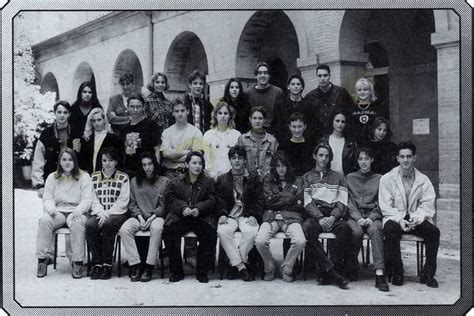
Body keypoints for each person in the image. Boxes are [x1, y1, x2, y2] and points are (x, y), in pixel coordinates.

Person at [379, 141, 440, 288]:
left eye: (409, 156)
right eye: (402, 157)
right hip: (395, 217)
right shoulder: (387, 178)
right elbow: (385, 206)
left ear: (414, 158)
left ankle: (428, 273)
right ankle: (397, 272)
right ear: (397, 158)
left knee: (433, 232)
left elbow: (427, 204)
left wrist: (416, 219)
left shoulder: (423, 180)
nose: (405, 160)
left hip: (415, 217)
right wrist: (400, 220)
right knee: (390, 230)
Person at [36, 147, 93, 279]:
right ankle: (42, 260)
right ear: (60, 162)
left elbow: (87, 199)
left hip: (76, 212)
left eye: (70, 160)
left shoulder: (84, 177)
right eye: (64, 159)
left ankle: (77, 261)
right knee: (44, 220)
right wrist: (51, 210)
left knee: (78, 224)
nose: (67, 162)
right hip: (59, 212)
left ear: (75, 161)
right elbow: (47, 198)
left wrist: (79, 210)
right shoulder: (52, 177)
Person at [162, 151, 217, 283]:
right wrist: (182, 208)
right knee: (169, 233)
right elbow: (169, 199)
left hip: (200, 217)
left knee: (209, 234)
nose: (197, 166)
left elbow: (212, 200)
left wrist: (199, 208)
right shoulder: (175, 182)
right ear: (187, 164)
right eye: (194, 163)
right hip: (181, 217)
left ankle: (202, 271)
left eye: (200, 163)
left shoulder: (208, 182)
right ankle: (177, 271)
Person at [301, 142, 351, 289]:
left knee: (345, 229)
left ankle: (327, 271)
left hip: (332, 215)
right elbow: (307, 201)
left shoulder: (339, 177)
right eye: (321, 155)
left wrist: (333, 217)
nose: (323, 159)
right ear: (314, 156)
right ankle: (331, 271)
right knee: (307, 228)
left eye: (327, 156)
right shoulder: (307, 177)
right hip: (315, 215)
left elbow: (342, 200)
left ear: (330, 159)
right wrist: (319, 217)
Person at [118, 151, 170, 282]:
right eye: (144, 165)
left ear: (154, 164)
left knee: (157, 228)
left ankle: (149, 266)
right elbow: (132, 203)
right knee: (124, 229)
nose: (147, 167)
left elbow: (164, 205)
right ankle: (135, 265)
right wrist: (140, 218)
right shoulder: (135, 181)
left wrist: (152, 218)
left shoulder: (164, 181)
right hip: (139, 217)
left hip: (156, 217)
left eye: (150, 164)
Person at [215, 146, 264, 281]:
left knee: (252, 232)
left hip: (246, 215)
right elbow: (218, 200)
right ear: (230, 160)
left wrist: (254, 214)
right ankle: (242, 267)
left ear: (245, 160)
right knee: (223, 231)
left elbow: (259, 200)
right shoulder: (222, 179)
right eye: (234, 158)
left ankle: (234, 264)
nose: (237, 161)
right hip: (229, 215)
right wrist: (222, 213)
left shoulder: (254, 179)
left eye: (240, 158)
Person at [255, 152, 306, 282]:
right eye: (278, 166)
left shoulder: (298, 180)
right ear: (274, 167)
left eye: (283, 165)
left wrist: (276, 199)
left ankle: (287, 268)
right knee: (260, 241)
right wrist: (289, 198)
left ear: (288, 166)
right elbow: (267, 201)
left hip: (292, 217)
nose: (281, 169)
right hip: (271, 217)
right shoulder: (268, 179)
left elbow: (299, 203)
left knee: (300, 241)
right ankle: (269, 266)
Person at [346, 147, 389, 291]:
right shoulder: (350, 178)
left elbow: (382, 201)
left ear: (372, 160)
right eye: (360, 159)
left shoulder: (380, 178)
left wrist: (372, 217)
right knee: (356, 232)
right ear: (357, 161)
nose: (363, 162)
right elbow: (348, 202)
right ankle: (352, 266)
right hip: (355, 216)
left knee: (376, 230)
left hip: (373, 215)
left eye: (366, 159)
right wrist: (357, 218)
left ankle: (379, 274)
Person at [87, 147, 130, 280]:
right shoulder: (94, 177)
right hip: (98, 212)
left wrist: (108, 213)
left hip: (118, 214)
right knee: (90, 225)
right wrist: (101, 212)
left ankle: (107, 264)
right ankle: (97, 263)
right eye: (104, 160)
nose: (107, 163)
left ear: (116, 162)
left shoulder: (123, 178)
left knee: (108, 224)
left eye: (111, 160)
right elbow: (92, 198)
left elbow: (123, 201)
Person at [32, 100, 74, 198]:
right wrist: (39, 185)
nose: (62, 115)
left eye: (65, 112)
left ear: (69, 114)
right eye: (59, 112)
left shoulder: (76, 132)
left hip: (72, 180)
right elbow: (38, 160)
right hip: (51, 179)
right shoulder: (46, 134)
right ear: (54, 113)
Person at [302, 64, 354, 140]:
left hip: (339, 137)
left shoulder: (341, 93)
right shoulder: (310, 97)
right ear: (316, 77)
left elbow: (351, 114)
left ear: (330, 76)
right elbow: (306, 121)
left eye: (325, 75)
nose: (322, 78)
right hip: (317, 139)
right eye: (319, 76)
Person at [119, 93, 162, 178]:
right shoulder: (124, 129)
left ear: (143, 107)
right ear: (127, 107)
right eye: (132, 106)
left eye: (138, 107)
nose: (135, 110)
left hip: (147, 171)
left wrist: (155, 171)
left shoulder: (151, 125)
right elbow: (124, 152)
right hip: (130, 172)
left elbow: (157, 150)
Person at [161, 98, 203, 179]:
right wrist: (188, 152)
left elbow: (197, 155)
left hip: (190, 172)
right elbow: (166, 154)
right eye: (176, 111)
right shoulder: (167, 132)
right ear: (172, 113)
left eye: (182, 110)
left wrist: (174, 157)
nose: (180, 114)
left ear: (188, 111)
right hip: (170, 172)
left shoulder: (196, 132)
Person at [202, 101, 241, 179]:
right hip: (212, 177)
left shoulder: (237, 135)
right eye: (220, 113)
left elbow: (238, 158)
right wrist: (213, 174)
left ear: (230, 116)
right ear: (215, 115)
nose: (223, 116)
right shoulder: (208, 135)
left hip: (231, 177)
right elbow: (206, 159)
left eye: (225, 113)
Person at [237, 106, 279, 179]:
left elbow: (275, 162)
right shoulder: (242, 139)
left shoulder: (272, 140)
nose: (257, 121)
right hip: (247, 179)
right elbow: (238, 159)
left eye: (260, 118)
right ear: (250, 119)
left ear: (264, 120)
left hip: (267, 181)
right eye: (254, 118)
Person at [78, 107, 123, 174]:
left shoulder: (114, 139)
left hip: (107, 175)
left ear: (104, 120)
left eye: (99, 120)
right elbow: (82, 161)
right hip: (89, 176)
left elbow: (119, 159)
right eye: (94, 121)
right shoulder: (87, 139)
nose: (96, 123)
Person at [246, 62, 285, 129]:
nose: (263, 75)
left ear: (269, 75)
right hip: (253, 133)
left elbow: (281, 117)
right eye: (260, 73)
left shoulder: (278, 92)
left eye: (265, 73)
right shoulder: (247, 93)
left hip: (273, 134)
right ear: (256, 76)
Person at [320, 107, 358, 175]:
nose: (340, 124)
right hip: (327, 178)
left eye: (343, 122)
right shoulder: (324, 141)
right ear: (332, 121)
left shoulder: (350, 143)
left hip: (344, 179)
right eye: (337, 121)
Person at [349, 78, 388, 143]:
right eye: (359, 90)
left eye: (365, 89)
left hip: (374, 145)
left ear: (370, 91)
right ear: (356, 92)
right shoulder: (351, 109)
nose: (362, 92)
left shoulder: (377, 108)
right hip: (356, 146)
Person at [272, 74, 305, 144]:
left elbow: (310, 126)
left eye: (298, 84)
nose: (295, 86)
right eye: (293, 84)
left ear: (302, 87)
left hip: (303, 143)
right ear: (288, 87)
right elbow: (277, 127)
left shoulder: (308, 105)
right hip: (284, 144)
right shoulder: (279, 105)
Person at [278, 112, 314, 177]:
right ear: (289, 127)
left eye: (300, 126)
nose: (297, 130)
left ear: (305, 126)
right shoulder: (283, 146)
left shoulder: (311, 146)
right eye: (294, 127)